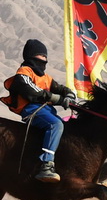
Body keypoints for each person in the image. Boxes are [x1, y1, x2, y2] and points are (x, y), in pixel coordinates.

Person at [1, 39, 78, 182]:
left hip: (46, 111)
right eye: (41, 56)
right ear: (31, 56)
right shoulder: (24, 72)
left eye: (45, 56)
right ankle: (46, 166)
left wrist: (69, 94)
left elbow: (60, 88)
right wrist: (57, 99)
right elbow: (31, 91)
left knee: (65, 129)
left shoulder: (46, 78)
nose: (44, 59)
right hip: (31, 110)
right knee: (56, 125)